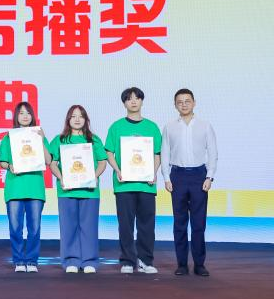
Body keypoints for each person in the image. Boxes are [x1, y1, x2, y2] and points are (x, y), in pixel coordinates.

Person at [105, 87, 162, 274]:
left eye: (137, 98)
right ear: (124, 103)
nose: (134, 101)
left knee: (147, 224)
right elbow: (109, 152)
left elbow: (157, 153)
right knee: (126, 225)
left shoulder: (152, 127)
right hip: (124, 184)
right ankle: (128, 261)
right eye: (129, 99)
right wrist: (118, 170)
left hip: (146, 184)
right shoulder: (116, 127)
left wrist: (153, 172)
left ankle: (146, 260)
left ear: (142, 101)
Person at [161, 89, 218, 277]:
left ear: (194, 103)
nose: (184, 104)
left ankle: (199, 264)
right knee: (179, 223)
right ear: (175, 105)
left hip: (199, 176)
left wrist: (209, 177)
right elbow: (165, 153)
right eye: (180, 102)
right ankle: (182, 264)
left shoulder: (205, 126)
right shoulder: (169, 127)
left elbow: (213, 152)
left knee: (198, 223)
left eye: (187, 101)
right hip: (177, 176)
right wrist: (166, 177)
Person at [49, 105, 107, 274]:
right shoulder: (60, 139)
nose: (77, 119)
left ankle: (89, 261)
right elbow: (52, 163)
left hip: (89, 190)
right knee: (68, 227)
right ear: (68, 119)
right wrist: (61, 178)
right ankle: (71, 260)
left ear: (86, 120)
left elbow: (102, 162)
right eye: (73, 116)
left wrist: (94, 176)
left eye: (81, 116)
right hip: (67, 190)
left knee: (89, 227)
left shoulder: (93, 140)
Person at [0, 102, 52, 273]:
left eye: (28, 113)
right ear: (16, 116)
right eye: (21, 113)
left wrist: (41, 139)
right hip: (15, 188)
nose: (25, 116)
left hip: (35, 188)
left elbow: (48, 160)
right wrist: (9, 166)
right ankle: (19, 260)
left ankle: (32, 261)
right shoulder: (9, 137)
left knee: (34, 228)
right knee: (15, 228)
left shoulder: (39, 134)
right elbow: (2, 161)